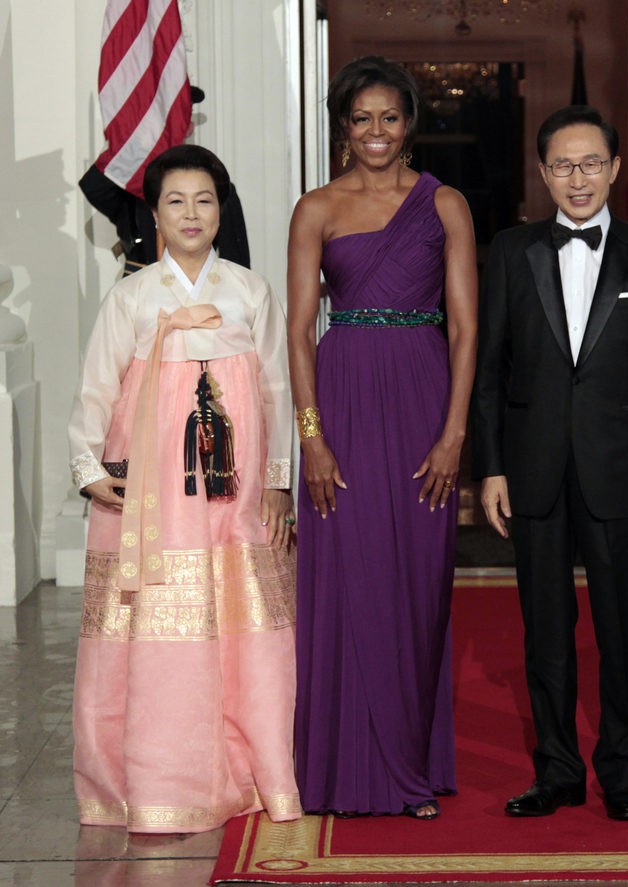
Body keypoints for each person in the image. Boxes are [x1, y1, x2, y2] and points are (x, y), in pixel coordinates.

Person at [68, 144, 300, 832]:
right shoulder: (133, 296)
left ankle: (247, 769)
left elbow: (277, 390)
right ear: (155, 215)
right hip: (153, 497)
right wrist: (91, 472)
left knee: (240, 621)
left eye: (204, 200)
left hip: (238, 492)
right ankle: (149, 777)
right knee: (155, 631)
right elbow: (95, 391)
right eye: (175, 201)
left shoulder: (250, 291)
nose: (191, 214)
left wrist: (280, 483)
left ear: (221, 210)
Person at [472, 106, 628, 821]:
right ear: (542, 173)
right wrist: (491, 466)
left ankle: (620, 772)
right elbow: (489, 371)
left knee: (624, 630)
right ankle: (557, 770)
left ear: (616, 168)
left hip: (621, 471)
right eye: (562, 165)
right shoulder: (509, 250)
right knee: (545, 630)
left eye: (591, 162)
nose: (578, 178)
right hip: (532, 471)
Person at [287, 56, 477, 821]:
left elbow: (465, 327)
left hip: (425, 393)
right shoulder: (316, 209)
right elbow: (300, 331)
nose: (375, 132)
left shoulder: (446, 205)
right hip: (340, 396)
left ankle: (412, 759)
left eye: (389, 117)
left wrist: (455, 431)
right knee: (344, 580)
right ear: (343, 126)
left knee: (419, 585)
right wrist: (312, 438)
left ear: (410, 124)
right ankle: (343, 768)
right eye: (360, 118)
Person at [80, 88, 250, 276]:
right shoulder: (134, 184)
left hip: (198, 289)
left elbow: (236, 260)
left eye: (179, 117)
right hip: (141, 286)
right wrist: (129, 143)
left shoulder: (212, 186)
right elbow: (94, 186)